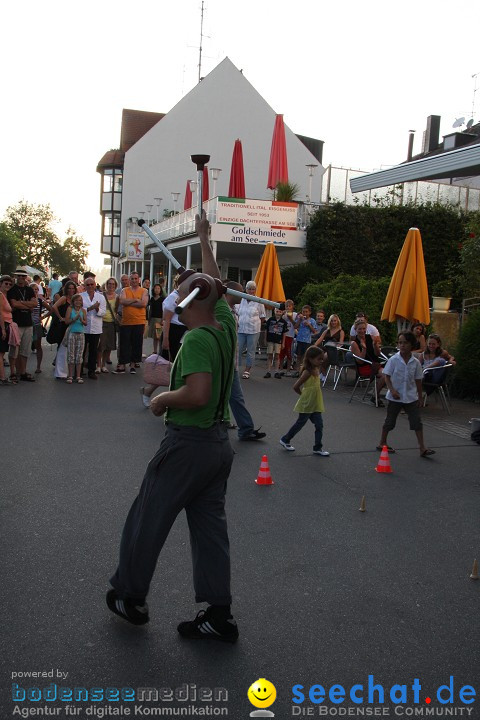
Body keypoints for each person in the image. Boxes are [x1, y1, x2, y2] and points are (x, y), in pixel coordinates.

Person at [107, 211, 239, 644]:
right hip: (218, 445)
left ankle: (129, 594)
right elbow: (214, 285)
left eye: (181, 288)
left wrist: (162, 399)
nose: (178, 287)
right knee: (209, 530)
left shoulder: (199, 338)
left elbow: (197, 394)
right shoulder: (226, 326)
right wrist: (203, 238)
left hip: (188, 442)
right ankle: (218, 614)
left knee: (148, 516)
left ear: (185, 304)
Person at [377, 331, 435, 457]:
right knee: (390, 421)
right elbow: (387, 376)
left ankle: (422, 447)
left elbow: (418, 380)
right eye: (400, 343)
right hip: (395, 397)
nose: (402, 345)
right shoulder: (394, 360)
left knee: (416, 422)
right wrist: (392, 390)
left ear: (411, 345)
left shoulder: (415, 362)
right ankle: (382, 442)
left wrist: (420, 397)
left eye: (405, 343)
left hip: (410, 397)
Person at [279, 345, 329, 456]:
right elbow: (296, 386)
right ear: (310, 359)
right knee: (300, 423)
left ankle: (317, 447)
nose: (321, 361)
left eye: (322, 359)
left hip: (315, 403)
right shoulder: (308, 372)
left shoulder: (316, 368)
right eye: (319, 359)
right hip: (307, 403)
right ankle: (285, 439)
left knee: (319, 425)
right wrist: (303, 396)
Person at [7, 267, 37, 382]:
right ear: (16, 277)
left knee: (25, 349)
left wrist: (22, 303)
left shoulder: (29, 290)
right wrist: (27, 305)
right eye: (18, 276)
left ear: (26, 277)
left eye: (23, 276)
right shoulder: (12, 290)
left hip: (28, 323)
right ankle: (13, 372)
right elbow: (14, 304)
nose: (21, 278)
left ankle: (23, 371)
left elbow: (34, 303)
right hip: (16, 323)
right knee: (14, 349)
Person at [115, 272, 147, 374]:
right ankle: (122, 365)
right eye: (132, 279)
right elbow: (122, 301)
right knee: (124, 344)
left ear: (139, 279)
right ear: (129, 280)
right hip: (126, 321)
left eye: (135, 278)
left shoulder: (144, 290)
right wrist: (135, 300)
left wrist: (129, 302)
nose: (134, 280)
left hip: (139, 321)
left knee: (136, 343)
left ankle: (133, 365)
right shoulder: (125, 290)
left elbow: (143, 303)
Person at [350, 318, 386, 406]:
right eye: (359, 329)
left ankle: (377, 395)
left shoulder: (370, 337)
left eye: (363, 329)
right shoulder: (354, 343)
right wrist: (364, 349)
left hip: (375, 364)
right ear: (355, 330)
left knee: (390, 373)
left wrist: (375, 345)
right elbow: (360, 361)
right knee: (386, 375)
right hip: (364, 367)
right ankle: (375, 396)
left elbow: (377, 354)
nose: (362, 331)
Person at [237, 280, 266, 379]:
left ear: (255, 290)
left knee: (250, 350)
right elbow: (236, 312)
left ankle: (247, 370)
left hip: (253, 331)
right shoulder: (241, 300)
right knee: (238, 349)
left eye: (253, 289)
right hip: (241, 329)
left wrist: (256, 325)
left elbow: (262, 317)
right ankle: (236, 368)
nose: (251, 291)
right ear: (246, 289)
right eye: (249, 289)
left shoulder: (259, 301)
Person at [81, 278, 106, 380]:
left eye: (92, 284)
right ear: (85, 286)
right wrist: (91, 307)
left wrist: (97, 308)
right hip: (83, 327)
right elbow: (79, 310)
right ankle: (79, 369)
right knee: (81, 349)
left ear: (95, 285)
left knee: (93, 350)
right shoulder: (81, 296)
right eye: (88, 285)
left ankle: (91, 370)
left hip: (96, 328)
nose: (90, 286)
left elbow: (103, 312)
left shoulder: (100, 297)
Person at [50, 280, 77, 379]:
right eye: (69, 288)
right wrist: (61, 317)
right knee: (62, 348)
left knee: (71, 349)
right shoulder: (64, 298)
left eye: (73, 288)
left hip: (72, 326)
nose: (71, 290)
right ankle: (60, 372)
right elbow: (54, 307)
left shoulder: (75, 299)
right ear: (66, 289)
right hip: (63, 326)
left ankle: (69, 371)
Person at [161, 278, 187, 362]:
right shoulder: (174, 297)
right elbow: (166, 319)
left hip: (182, 331)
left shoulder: (184, 296)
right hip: (173, 330)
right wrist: (166, 339)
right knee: (169, 359)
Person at [30, 282, 53, 374]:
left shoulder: (40, 301)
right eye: (33, 289)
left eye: (36, 289)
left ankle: (38, 366)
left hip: (36, 324)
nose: (35, 290)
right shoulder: (27, 299)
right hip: (27, 324)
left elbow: (51, 309)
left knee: (38, 346)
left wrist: (43, 317)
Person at [97, 277, 118, 373]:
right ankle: (98, 365)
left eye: (113, 284)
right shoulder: (101, 295)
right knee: (101, 345)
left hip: (111, 322)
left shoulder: (117, 297)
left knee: (109, 345)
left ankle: (103, 364)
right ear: (106, 285)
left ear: (115, 286)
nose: (111, 286)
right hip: (101, 322)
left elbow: (117, 310)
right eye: (109, 284)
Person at [64, 293, 87, 383]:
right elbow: (66, 321)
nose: (78, 302)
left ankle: (78, 376)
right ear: (73, 301)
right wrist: (74, 319)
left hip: (81, 334)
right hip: (72, 333)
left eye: (80, 300)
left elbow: (86, 323)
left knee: (79, 355)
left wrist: (82, 320)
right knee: (71, 354)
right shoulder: (70, 309)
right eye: (76, 300)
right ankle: (70, 375)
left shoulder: (83, 311)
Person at [264, 308, 288, 379]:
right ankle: (268, 371)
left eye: (280, 312)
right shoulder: (270, 319)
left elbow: (284, 333)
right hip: (270, 340)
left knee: (277, 356)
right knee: (269, 355)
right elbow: (266, 330)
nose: (278, 313)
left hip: (278, 341)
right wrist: (265, 339)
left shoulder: (283, 322)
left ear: (282, 313)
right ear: (275, 312)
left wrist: (283, 343)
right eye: (277, 311)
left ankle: (276, 371)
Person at [293, 305, 317, 375]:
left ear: (309, 312)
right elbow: (295, 326)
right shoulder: (300, 319)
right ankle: (297, 371)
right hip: (299, 339)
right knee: (298, 356)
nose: (305, 313)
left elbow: (314, 331)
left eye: (306, 312)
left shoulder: (312, 320)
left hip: (307, 341)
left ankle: (303, 371)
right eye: (303, 312)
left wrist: (309, 325)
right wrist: (300, 320)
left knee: (305, 356)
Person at [0, 275, 14, 385]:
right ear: (1, 284)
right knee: (0, 353)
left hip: (6, 324)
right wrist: (3, 329)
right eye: (6, 283)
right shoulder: (0, 295)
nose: (8, 286)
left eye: (10, 284)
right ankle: (3, 377)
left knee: (2, 352)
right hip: (2, 324)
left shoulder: (5, 295)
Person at [279, 299, 297, 374]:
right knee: (281, 353)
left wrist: (291, 318)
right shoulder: (283, 315)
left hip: (290, 336)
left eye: (290, 306)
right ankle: (280, 369)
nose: (288, 308)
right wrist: (281, 315)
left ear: (292, 307)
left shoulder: (295, 315)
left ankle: (288, 369)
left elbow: (296, 325)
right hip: (283, 336)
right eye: (287, 306)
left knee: (289, 353)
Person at [147, 282, 165, 355]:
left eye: (158, 288)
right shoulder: (152, 299)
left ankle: (161, 350)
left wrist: (163, 319)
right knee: (154, 336)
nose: (157, 290)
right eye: (155, 288)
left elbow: (164, 309)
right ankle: (155, 350)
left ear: (160, 290)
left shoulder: (163, 299)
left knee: (159, 336)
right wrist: (149, 318)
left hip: (159, 319)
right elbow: (150, 309)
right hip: (153, 318)